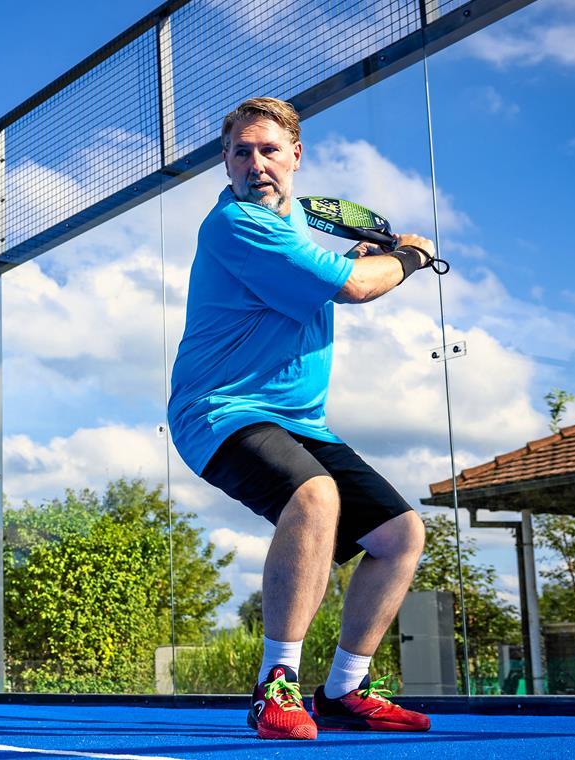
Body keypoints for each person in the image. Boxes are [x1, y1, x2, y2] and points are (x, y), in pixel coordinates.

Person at [167, 97, 434, 740]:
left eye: (268, 150)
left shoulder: (288, 224)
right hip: (219, 412)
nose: (255, 163)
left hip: (300, 420)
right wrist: (409, 255)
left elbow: (334, 270)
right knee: (314, 495)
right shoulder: (236, 226)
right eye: (241, 151)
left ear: (295, 157)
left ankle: (345, 689)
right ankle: (276, 685)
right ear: (225, 164)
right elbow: (355, 286)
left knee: (401, 537)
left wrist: (368, 252)